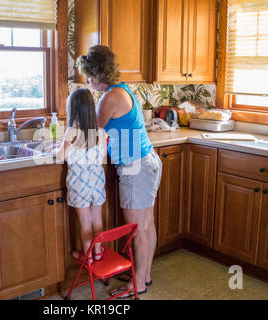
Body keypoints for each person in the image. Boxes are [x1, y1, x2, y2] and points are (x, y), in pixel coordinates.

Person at [76, 45, 162, 298]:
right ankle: (143, 275)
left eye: (89, 75)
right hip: (146, 162)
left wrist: (64, 141)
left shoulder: (110, 98)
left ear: (97, 72)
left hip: (136, 169)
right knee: (146, 225)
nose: (88, 81)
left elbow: (92, 134)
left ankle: (138, 284)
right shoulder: (122, 91)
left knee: (139, 228)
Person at [53, 88, 108, 265]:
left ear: (73, 110)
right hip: (97, 180)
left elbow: (60, 157)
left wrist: (58, 147)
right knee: (97, 219)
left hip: (79, 182)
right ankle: (98, 252)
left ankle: (88, 257)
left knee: (85, 222)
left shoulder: (71, 131)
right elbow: (101, 155)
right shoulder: (101, 132)